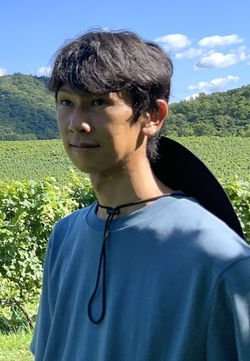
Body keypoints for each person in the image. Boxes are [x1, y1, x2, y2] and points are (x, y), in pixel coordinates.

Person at [30, 30, 250, 360]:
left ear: (153, 116)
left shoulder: (219, 258)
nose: (76, 123)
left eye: (98, 102)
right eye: (66, 102)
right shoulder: (64, 236)